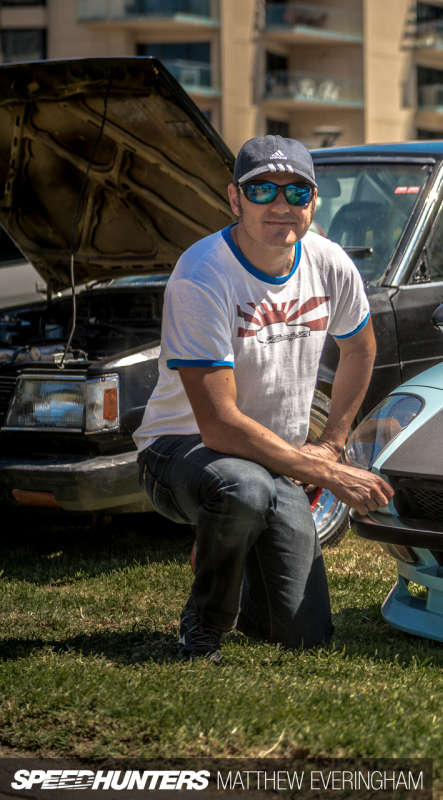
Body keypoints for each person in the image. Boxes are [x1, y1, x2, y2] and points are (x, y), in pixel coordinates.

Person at [134, 135, 394, 662]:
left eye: (298, 191)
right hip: (178, 451)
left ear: (314, 201)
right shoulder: (202, 273)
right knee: (240, 487)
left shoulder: (328, 261)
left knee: (305, 634)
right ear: (234, 199)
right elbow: (220, 427)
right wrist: (326, 473)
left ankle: (230, 541)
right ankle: (204, 624)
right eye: (263, 190)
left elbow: (360, 349)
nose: (282, 204)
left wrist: (331, 444)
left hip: (273, 459)